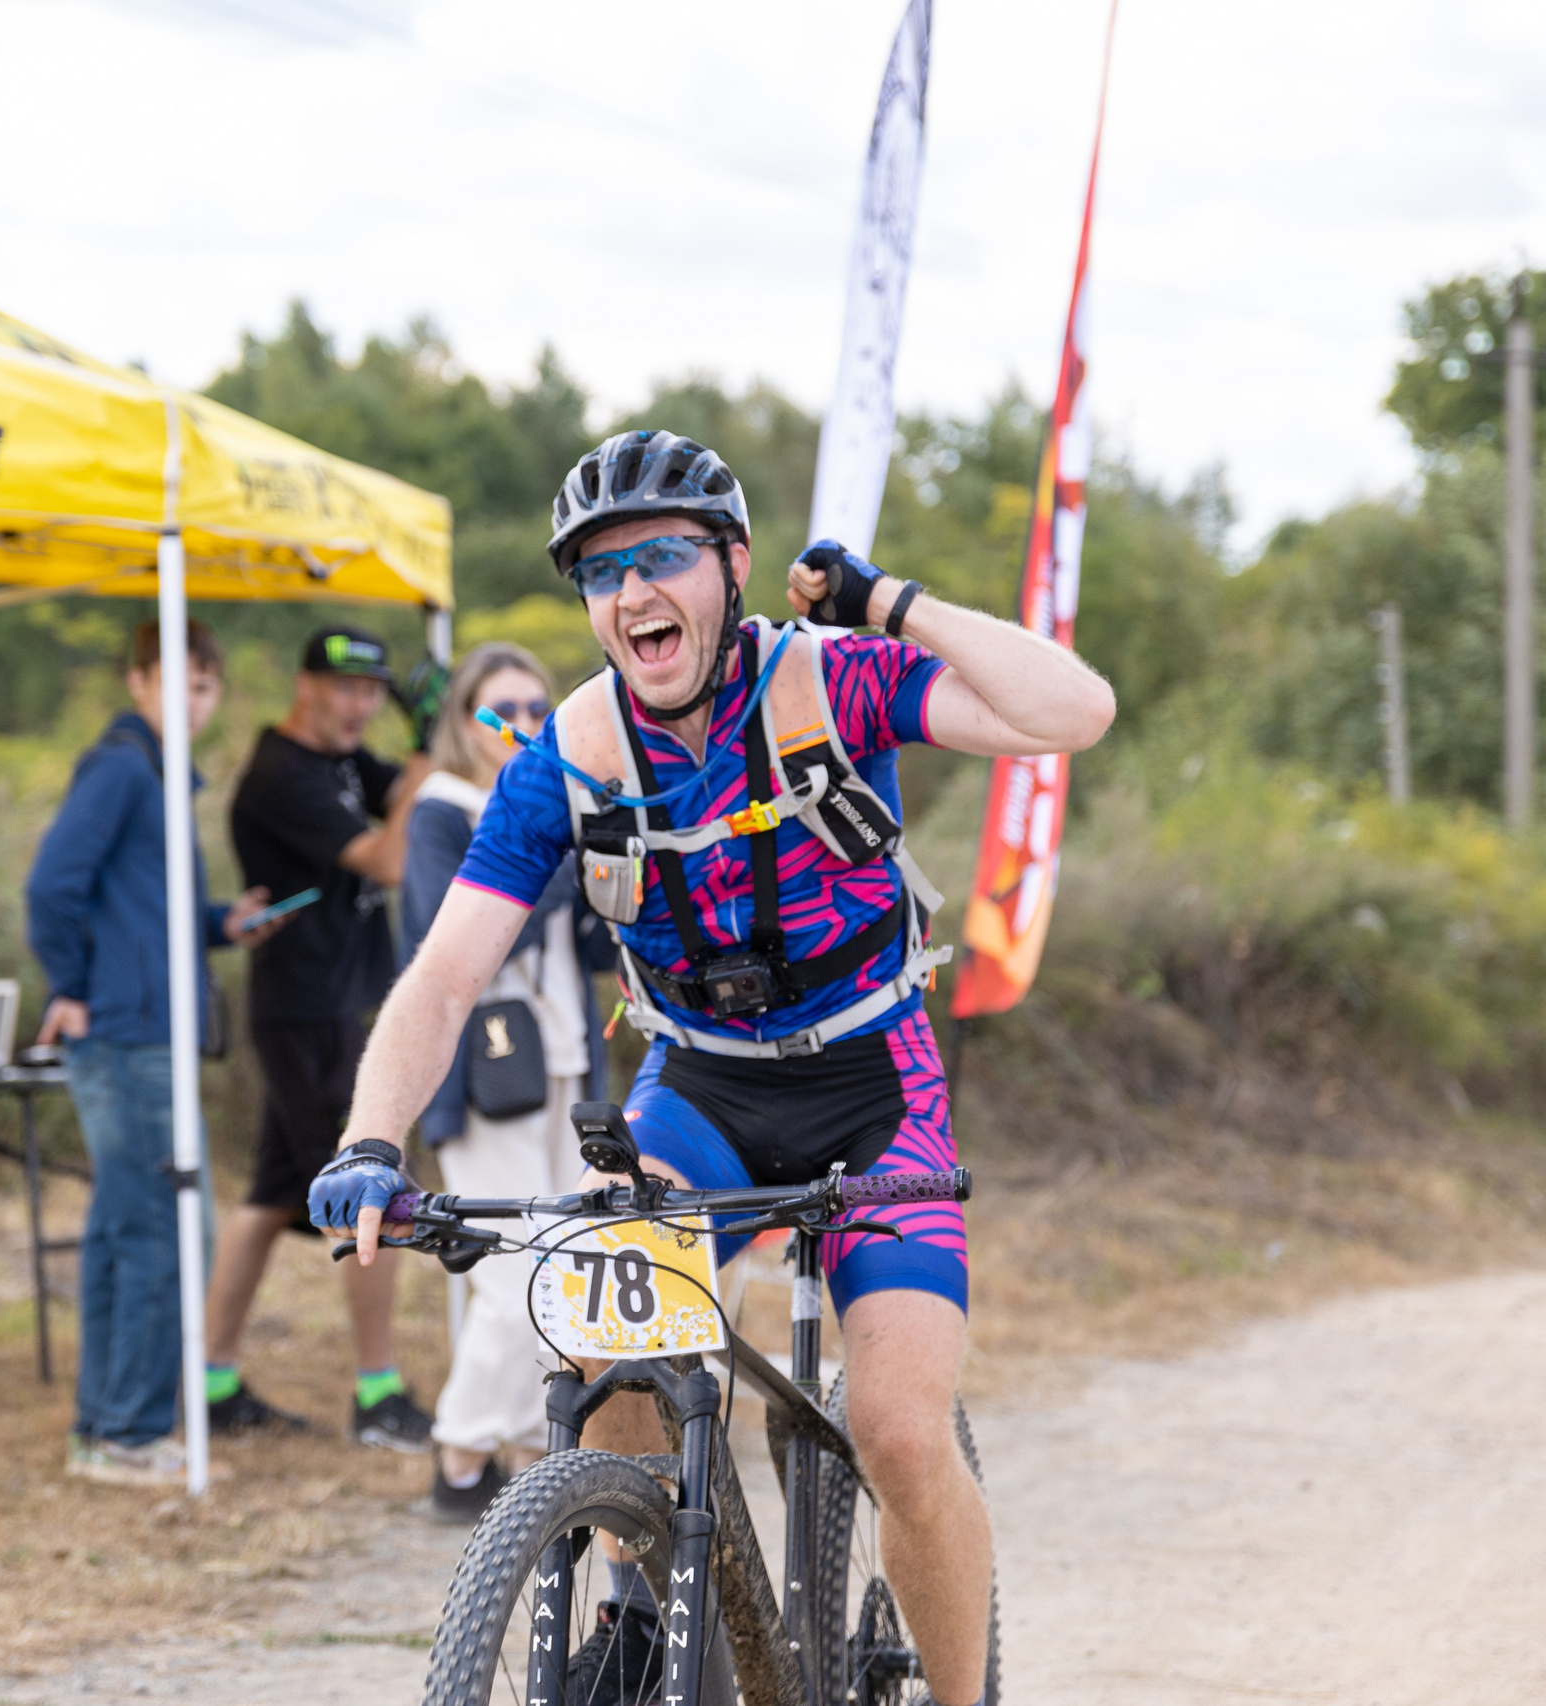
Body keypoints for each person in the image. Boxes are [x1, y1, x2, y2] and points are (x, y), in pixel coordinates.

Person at [312, 430, 1116, 1706]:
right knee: (605, 1343)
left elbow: (1074, 711)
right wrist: (368, 1141)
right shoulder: (569, 759)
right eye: (601, 571)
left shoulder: (831, 681)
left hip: (872, 1081)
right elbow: (448, 972)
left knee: (898, 1429)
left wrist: (886, 602)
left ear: (732, 566)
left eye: (663, 557)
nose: (632, 592)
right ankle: (639, 1609)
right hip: (703, 1084)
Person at [26, 617, 282, 1487]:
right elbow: (51, 886)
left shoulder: (158, 774)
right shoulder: (122, 768)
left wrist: (222, 924)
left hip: (145, 1031)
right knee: (167, 1232)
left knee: (124, 1231)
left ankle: (107, 1428)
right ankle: (130, 1433)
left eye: (207, 685)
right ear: (139, 681)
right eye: (177, 679)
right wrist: (70, 986)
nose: (193, 698)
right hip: (125, 1036)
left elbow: (143, 913)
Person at [211, 623, 432, 1448]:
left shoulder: (341, 762)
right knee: (368, 1194)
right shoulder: (280, 774)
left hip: (331, 1006)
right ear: (305, 685)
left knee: (268, 1199)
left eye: (373, 692)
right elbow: (389, 858)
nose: (360, 706)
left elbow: (410, 788)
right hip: (307, 1011)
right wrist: (418, 761)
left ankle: (213, 1378)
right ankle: (378, 1395)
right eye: (346, 690)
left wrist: (425, 748)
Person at [401, 642, 609, 1520]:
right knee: (510, 1268)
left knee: (565, 1262)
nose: (524, 726)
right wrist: (563, 855)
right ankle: (459, 1448)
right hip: (481, 1072)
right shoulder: (442, 812)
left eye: (538, 710)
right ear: (468, 720)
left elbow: (593, 941)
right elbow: (466, 941)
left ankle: (530, 1449)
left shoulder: (553, 805)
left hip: (564, 1062)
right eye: (506, 711)